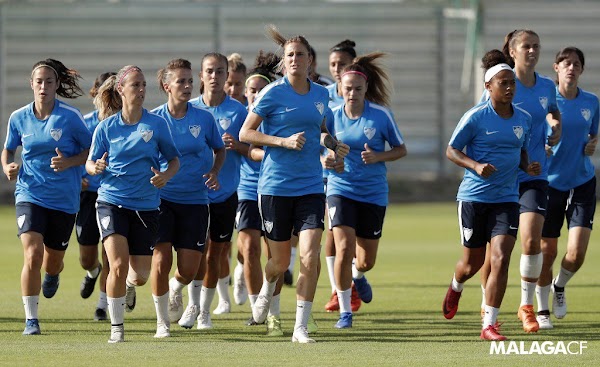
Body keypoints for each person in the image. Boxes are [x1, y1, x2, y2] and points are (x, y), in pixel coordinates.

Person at [239, 24, 349, 343]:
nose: (296, 59)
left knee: (310, 256)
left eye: (301, 54)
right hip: (274, 187)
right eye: (290, 55)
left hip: (311, 187)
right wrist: (282, 142)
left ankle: (300, 326)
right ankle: (264, 293)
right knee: (278, 261)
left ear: (310, 61)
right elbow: (247, 134)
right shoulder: (272, 93)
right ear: (283, 62)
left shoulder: (321, 94)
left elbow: (321, 130)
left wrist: (332, 142)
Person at [442, 50, 540, 341]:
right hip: (473, 198)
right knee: (472, 264)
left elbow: (519, 149)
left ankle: (490, 324)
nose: (509, 88)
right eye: (503, 83)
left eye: (512, 83)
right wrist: (475, 165)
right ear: (489, 86)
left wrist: (527, 166)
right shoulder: (475, 117)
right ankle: (457, 285)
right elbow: (451, 150)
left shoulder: (523, 118)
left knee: (500, 257)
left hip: (507, 199)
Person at [86, 65, 180, 343]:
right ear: (120, 90)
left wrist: (165, 176)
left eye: (143, 85)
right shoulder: (106, 127)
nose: (140, 90)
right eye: (135, 85)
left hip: (146, 205)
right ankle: (117, 327)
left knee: (139, 274)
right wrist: (96, 167)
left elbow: (174, 160)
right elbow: (90, 163)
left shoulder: (156, 124)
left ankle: (129, 285)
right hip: (111, 201)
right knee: (116, 264)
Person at [479, 29, 561, 334]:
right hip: (500, 180)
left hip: (534, 175)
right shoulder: (500, 83)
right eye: (526, 46)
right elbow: (478, 121)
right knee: (493, 254)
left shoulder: (546, 86)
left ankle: (527, 307)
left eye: (536, 46)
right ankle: (486, 306)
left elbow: (552, 112)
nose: (532, 51)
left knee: (530, 240)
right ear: (512, 52)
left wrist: (555, 126)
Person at [2, 59, 91, 336]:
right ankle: (31, 319)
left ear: (56, 86)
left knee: (52, 261)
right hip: (30, 193)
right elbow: (8, 150)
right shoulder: (18, 117)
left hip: (64, 199)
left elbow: (90, 151)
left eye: (48, 82)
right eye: (38, 82)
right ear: (31, 84)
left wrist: (69, 162)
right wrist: (7, 166)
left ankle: (53, 274)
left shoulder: (70, 117)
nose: (43, 87)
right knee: (32, 254)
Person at [325, 52, 407, 328]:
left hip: (372, 193)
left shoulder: (381, 116)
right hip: (340, 188)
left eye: (357, 89)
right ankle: (345, 311)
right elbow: (319, 149)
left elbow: (400, 149)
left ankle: (358, 277)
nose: (352, 93)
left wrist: (378, 157)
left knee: (365, 261)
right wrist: (328, 161)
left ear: (366, 89)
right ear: (340, 88)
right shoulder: (332, 116)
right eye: (347, 88)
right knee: (343, 247)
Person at [150, 59, 225, 337]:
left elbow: (220, 149)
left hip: (195, 200)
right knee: (160, 261)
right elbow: (144, 156)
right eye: (180, 81)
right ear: (166, 85)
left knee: (189, 269)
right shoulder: (155, 120)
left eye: (190, 80)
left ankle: (175, 288)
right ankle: (161, 323)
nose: (187, 85)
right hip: (161, 200)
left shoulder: (204, 118)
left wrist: (215, 171)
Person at [183, 52, 248, 328]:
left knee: (215, 253)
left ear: (226, 76)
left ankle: (204, 311)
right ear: (201, 76)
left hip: (225, 193)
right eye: (209, 71)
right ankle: (190, 304)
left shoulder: (238, 111)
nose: (214, 77)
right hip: (191, 195)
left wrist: (237, 145)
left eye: (220, 72)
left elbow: (253, 148)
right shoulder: (189, 110)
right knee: (195, 253)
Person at [536, 47, 598, 329]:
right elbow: (533, 134)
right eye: (566, 63)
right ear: (556, 68)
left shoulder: (592, 102)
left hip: (582, 182)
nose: (571, 68)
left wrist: (593, 143)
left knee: (576, 254)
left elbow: (594, 132)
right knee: (546, 252)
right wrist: (543, 148)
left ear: (581, 70)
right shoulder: (547, 101)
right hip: (549, 185)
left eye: (576, 64)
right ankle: (541, 309)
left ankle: (559, 286)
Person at [323, 39, 361, 313]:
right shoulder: (322, 96)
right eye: (333, 64)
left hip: (359, 181)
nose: (337, 69)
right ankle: (338, 291)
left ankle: (357, 276)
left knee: (355, 245)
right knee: (333, 236)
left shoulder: (359, 93)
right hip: (326, 176)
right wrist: (325, 158)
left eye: (343, 64)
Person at [79, 72, 116, 322]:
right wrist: (78, 176)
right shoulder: (86, 123)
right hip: (87, 195)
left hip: (114, 196)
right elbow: (76, 154)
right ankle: (92, 274)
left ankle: (102, 305)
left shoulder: (127, 124)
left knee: (111, 252)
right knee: (87, 258)